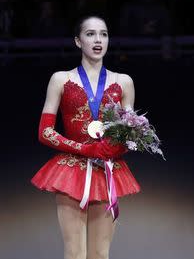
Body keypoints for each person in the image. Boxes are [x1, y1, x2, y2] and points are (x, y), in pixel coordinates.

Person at [31, 16, 141, 259]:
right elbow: (45, 132)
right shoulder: (61, 79)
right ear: (78, 41)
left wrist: (116, 149)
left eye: (103, 34)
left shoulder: (123, 82)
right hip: (71, 171)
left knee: (101, 255)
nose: (98, 39)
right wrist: (85, 149)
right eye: (90, 34)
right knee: (75, 253)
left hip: (107, 171)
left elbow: (131, 132)